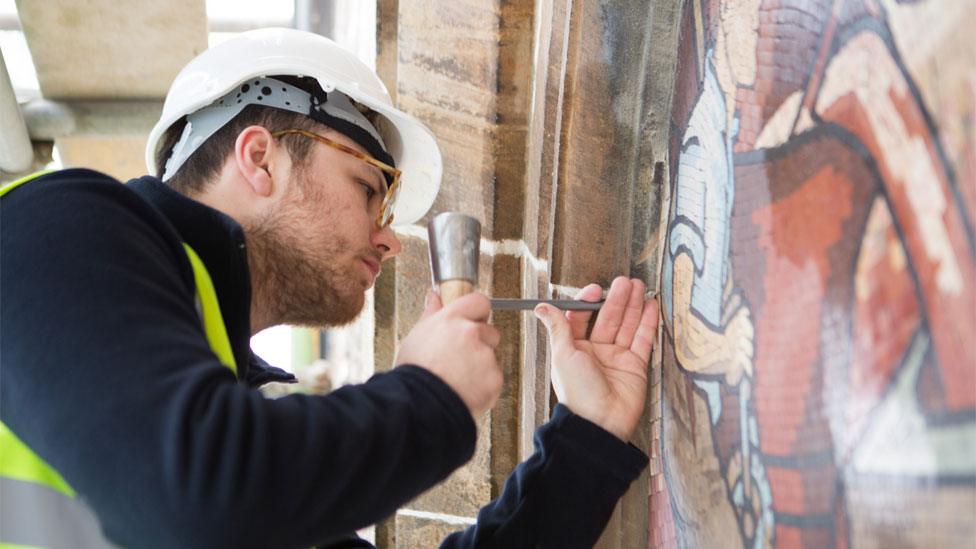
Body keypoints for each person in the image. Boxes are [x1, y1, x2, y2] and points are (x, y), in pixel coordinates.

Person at [0, 28, 659, 548]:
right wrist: (431, 394)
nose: (387, 238)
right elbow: (193, 495)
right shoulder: (54, 228)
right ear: (261, 157)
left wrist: (588, 435)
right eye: (369, 190)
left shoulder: (241, 417)